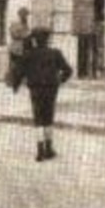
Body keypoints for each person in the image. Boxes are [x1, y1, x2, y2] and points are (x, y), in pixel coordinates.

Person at [17, 29, 73, 161]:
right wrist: (60, 80)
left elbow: (19, 72)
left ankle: (40, 151)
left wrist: (26, 80)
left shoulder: (29, 54)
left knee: (38, 118)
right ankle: (49, 149)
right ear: (47, 39)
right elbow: (68, 70)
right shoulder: (55, 53)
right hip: (51, 89)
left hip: (35, 89)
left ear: (35, 40)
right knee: (48, 117)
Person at [7, 7, 32, 91]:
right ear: (20, 15)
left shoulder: (26, 24)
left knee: (23, 65)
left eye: (26, 15)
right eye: (24, 15)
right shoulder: (15, 24)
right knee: (14, 65)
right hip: (16, 47)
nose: (25, 17)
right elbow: (14, 34)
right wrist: (25, 35)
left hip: (24, 47)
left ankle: (21, 80)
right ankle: (12, 81)